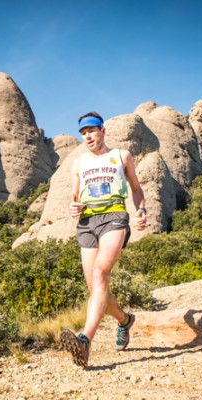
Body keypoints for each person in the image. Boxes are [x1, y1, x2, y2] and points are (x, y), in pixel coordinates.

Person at [60, 112, 147, 367]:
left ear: (103, 131)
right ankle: (124, 321)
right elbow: (75, 196)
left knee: (100, 275)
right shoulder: (78, 163)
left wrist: (140, 209)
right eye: (83, 132)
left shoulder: (121, 156)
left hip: (114, 217)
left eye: (92, 130)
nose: (88, 136)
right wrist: (73, 207)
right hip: (87, 223)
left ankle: (85, 341)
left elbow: (136, 188)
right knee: (95, 289)